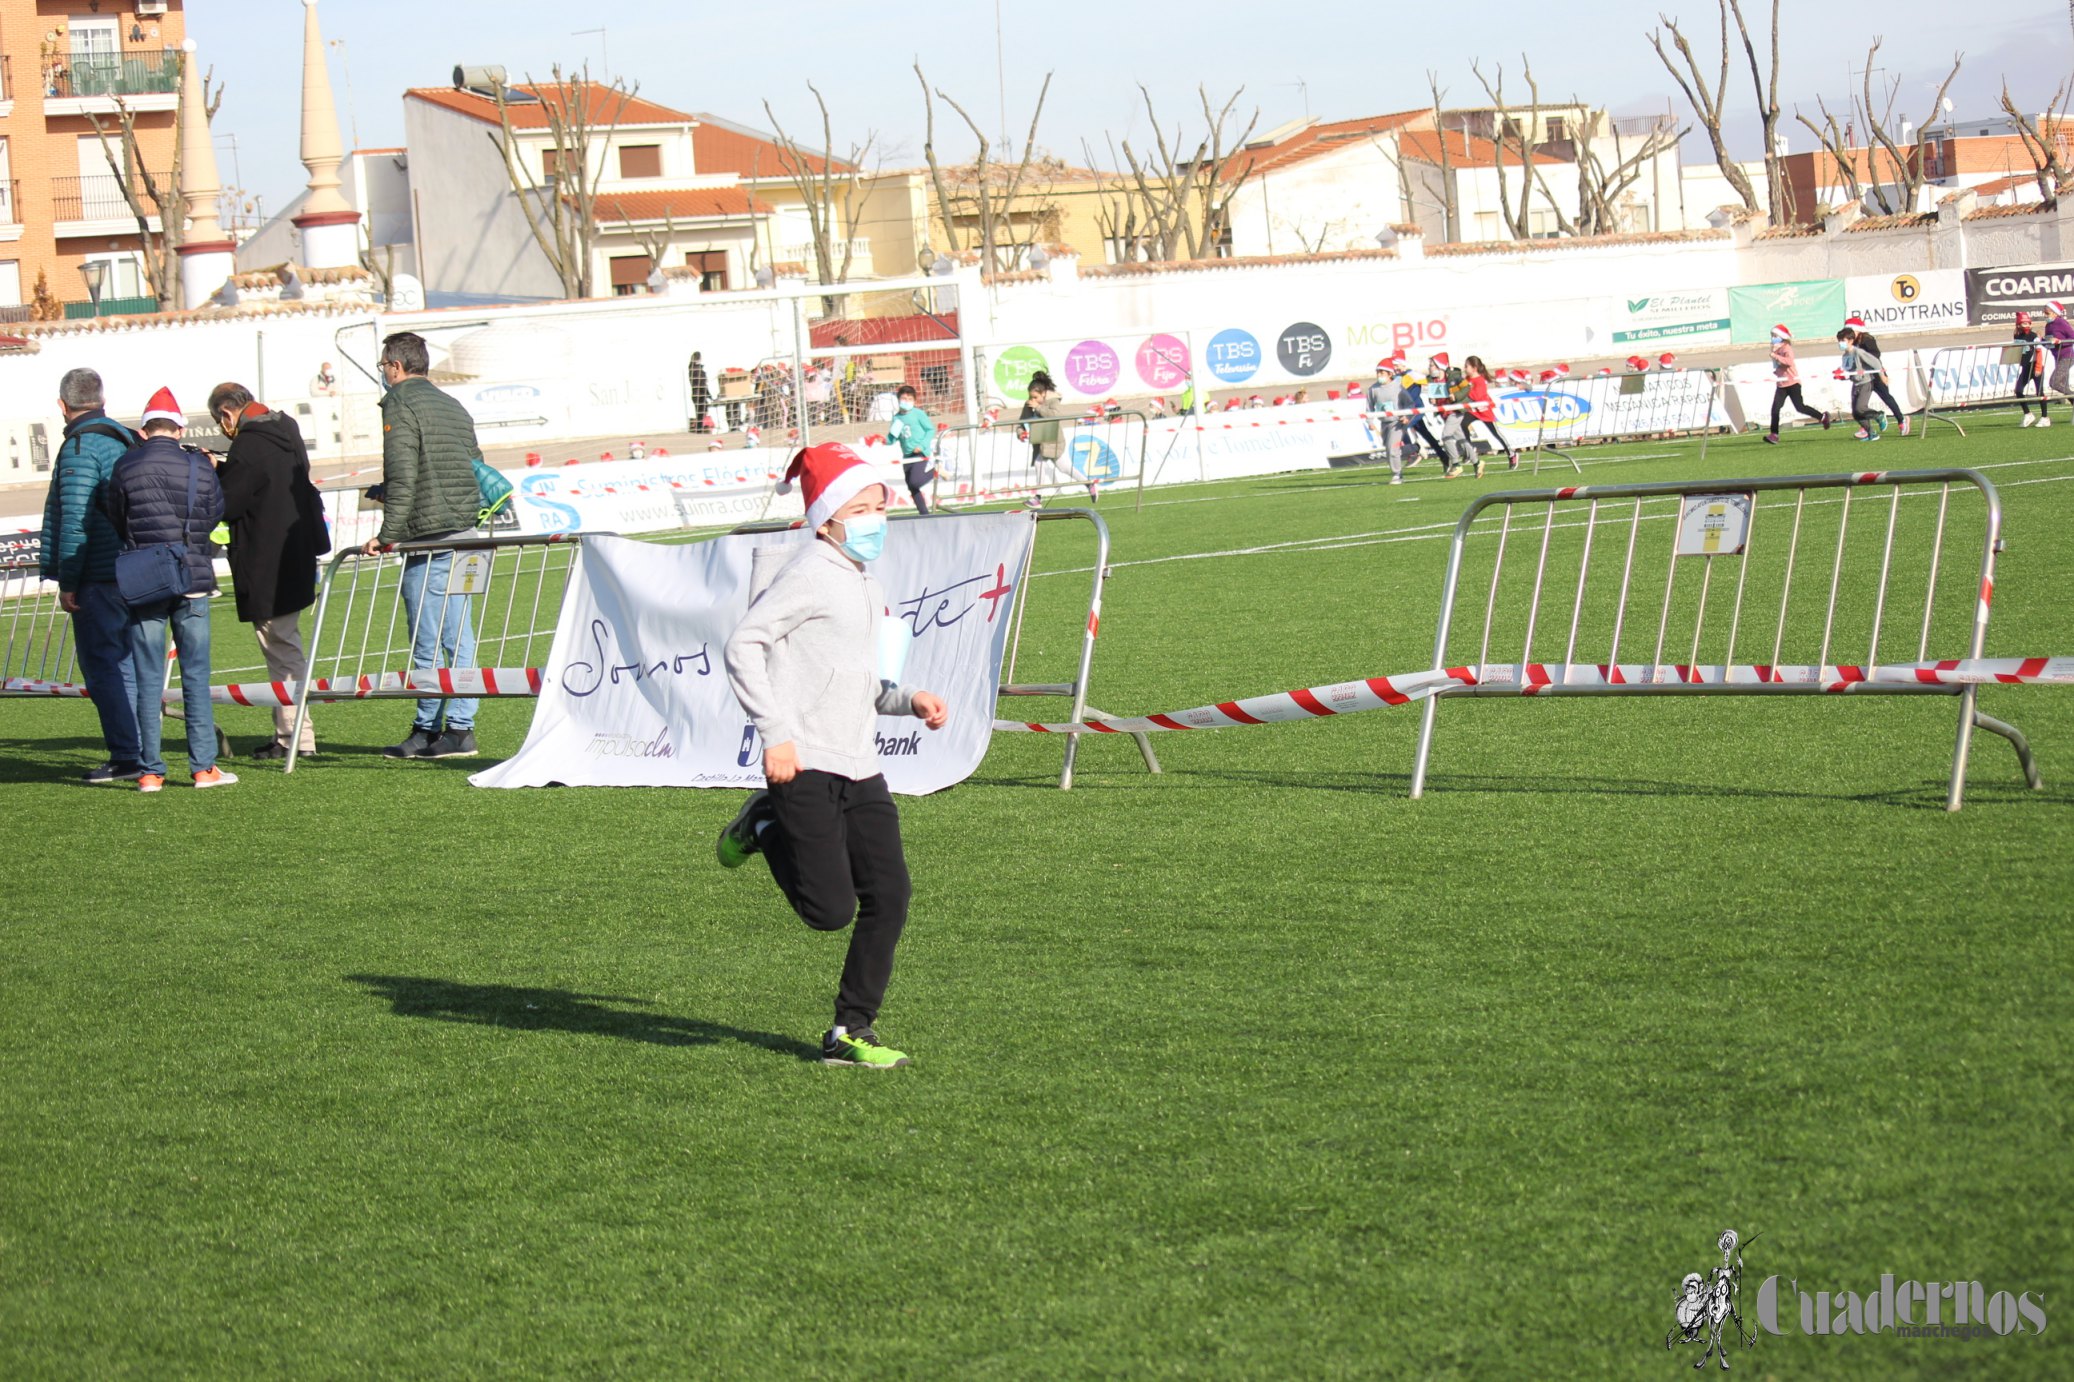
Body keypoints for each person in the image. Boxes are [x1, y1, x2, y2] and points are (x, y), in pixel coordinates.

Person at [717, 443, 949, 1069]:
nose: (877, 517)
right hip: (806, 761)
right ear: (825, 520)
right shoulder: (810, 572)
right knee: (829, 911)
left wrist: (909, 699)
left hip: (860, 763)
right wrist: (775, 733)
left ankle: (850, 1031)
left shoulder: (864, 581)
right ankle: (763, 823)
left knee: (891, 895)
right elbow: (744, 646)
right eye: (862, 507)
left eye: (880, 505)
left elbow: (857, 682)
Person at [361, 331, 485, 759]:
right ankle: (459, 728)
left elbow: (405, 468)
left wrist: (388, 533)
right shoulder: (452, 404)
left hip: (428, 537)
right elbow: (474, 464)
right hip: (465, 531)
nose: (384, 373)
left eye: (383, 366)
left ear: (395, 366)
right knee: (459, 633)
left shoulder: (400, 402)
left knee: (428, 636)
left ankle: (429, 726)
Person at [103, 388, 232, 792]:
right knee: (195, 674)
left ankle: (150, 771)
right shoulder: (198, 464)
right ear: (179, 427)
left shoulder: (125, 466)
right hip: (192, 575)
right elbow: (213, 515)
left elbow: (117, 517)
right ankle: (203, 767)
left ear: (144, 431)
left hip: (145, 578)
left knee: (147, 677)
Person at [208, 381, 331, 760]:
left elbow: (231, 502)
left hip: (267, 562)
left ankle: (295, 737)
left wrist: (217, 472)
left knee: (281, 648)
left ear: (228, 414)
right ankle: (291, 733)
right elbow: (269, 479)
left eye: (220, 422)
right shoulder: (285, 428)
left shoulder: (250, 444)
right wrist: (229, 465)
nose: (223, 430)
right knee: (285, 646)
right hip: (295, 554)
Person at [37, 367, 145, 783]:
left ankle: (127, 755)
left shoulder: (81, 446)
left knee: (104, 667)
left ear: (63, 406)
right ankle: (142, 753)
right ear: (102, 400)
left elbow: (75, 522)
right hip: (134, 568)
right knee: (133, 666)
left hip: (100, 575)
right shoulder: (127, 440)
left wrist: (67, 582)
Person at [1762, 324, 1829, 444]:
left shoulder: (1786, 348)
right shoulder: (1775, 348)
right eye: (1772, 336)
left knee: (1800, 407)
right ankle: (1774, 434)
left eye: (1775, 335)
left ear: (1781, 336)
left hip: (1792, 383)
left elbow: (1789, 362)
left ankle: (1822, 417)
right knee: (1775, 409)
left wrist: (1776, 356)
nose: (1772, 338)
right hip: (1781, 384)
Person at [1838, 317, 1907, 434]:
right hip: (1863, 378)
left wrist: (1881, 375)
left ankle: (1901, 419)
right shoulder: (1851, 345)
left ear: (1857, 330)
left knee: (1886, 397)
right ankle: (1866, 427)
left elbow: (1875, 357)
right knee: (1861, 405)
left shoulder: (1867, 339)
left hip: (1875, 374)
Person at [886, 384, 940, 515]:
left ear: (914, 401)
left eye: (909, 399)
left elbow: (930, 430)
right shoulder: (897, 418)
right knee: (911, 486)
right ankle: (924, 513)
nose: (906, 401)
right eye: (903, 398)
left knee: (915, 482)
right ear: (898, 400)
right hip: (907, 455)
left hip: (920, 453)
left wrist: (921, 446)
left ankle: (936, 470)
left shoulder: (918, 414)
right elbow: (893, 437)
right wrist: (882, 440)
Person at [1463, 356, 1520, 469]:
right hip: (1473, 411)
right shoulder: (1467, 380)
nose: (1464, 369)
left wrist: (1467, 390)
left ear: (1474, 368)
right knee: (1462, 424)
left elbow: (1477, 396)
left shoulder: (1480, 381)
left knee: (1496, 434)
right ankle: (1469, 450)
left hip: (1484, 410)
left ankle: (1512, 453)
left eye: (1466, 366)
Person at [1836, 327, 1885, 442]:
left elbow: (1876, 363)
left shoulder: (1858, 352)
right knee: (1856, 413)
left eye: (1842, 340)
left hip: (1865, 382)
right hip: (1855, 384)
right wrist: (1841, 375)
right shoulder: (1845, 356)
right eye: (1839, 341)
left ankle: (1878, 415)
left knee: (1860, 408)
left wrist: (1882, 375)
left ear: (1851, 340)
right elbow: (1848, 371)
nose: (1840, 343)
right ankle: (1871, 433)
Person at [1363, 360, 1408, 485]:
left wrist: (1406, 416)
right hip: (1384, 424)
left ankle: (1397, 474)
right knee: (1389, 449)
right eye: (1377, 373)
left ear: (1390, 374)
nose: (1379, 376)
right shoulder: (1373, 389)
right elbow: (1369, 407)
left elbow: (1409, 403)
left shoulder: (1398, 387)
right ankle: (1416, 448)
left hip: (1397, 423)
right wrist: (1370, 421)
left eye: (1382, 373)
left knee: (1393, 449)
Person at [2013, 311, 2048, 426]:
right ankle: (2027, 414)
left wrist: (2038, 367)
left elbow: (2038, 352)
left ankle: (2045, 417)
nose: (2027, 325)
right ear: (2018, 325)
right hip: (2026, 368)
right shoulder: (2017, 336)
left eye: (2028, 323)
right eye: (2024, 323)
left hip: (2035, 367)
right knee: (2018, 390)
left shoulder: (2033, 336)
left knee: (2039, 392)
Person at [2044, 300, 2074, 427]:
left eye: (2047, 312)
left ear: (2055, 313)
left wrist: (2060, 341)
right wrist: (2041, 340)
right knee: (2063, 384)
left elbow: (2072, 337)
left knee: (2055, 382)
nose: (2045, 315)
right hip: (2057, 357)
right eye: (2044, 312)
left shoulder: (2061, 322)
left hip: (2067, 357)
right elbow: (2049, 343)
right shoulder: (2048, 326)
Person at [687, 350, 712, 433]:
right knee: (701, 412)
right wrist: (709, 395)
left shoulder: (692, 369)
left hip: (696, 394)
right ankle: (699, 429)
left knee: (700, 412)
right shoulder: (697, 370)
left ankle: (699, 428)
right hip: (700, 394)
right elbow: (701, 384)